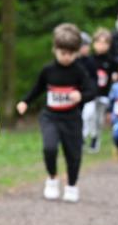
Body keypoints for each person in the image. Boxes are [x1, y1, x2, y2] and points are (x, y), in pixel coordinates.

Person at [16, 24, 97, 203]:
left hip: (72, 119)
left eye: (71, 53)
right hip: (50, 117)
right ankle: (52, 179)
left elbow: (92, 91)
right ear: (55, 50)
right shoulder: (48, 70)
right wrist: (25, 102)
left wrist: (81, 96)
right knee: (50, 148)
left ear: (77, 52)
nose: (67, 57)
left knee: (73, 154)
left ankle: (71, 185)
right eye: (63, 53)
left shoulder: (79, 71)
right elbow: (37, 88)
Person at [81, 28, 117, 152]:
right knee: (88, 115)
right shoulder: (89, 60)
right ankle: (83, 136)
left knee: (98, 119)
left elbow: (114, 79)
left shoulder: (111, 61)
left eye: (104, 43)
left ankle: (95, 139)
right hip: (91, 94)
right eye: (99, 42)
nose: (101, 46)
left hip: (104, 94)